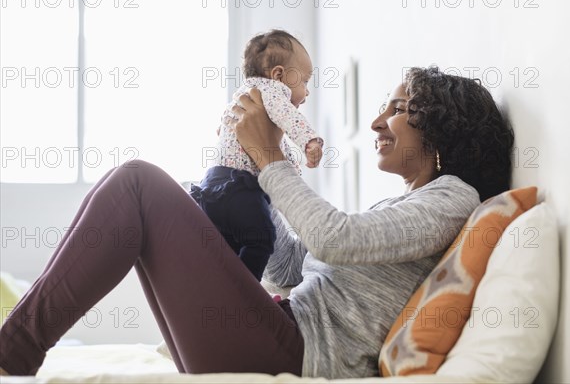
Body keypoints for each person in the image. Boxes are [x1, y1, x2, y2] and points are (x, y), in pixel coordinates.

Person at [0, 66, 514, 378]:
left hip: (292, 349)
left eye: (397, 108)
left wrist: (272, 158)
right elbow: (295, 264)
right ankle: (14, 347)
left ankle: (12, 352)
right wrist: (237, 191)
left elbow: (334, 239)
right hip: (273, 330)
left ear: (441, 127)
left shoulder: (453, 199)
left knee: (137, 183)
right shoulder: (410, 203)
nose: (378, 122)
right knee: (155, 191)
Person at [189, 29, 324, 281]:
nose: (307, 93)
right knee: (262, 239)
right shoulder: (274, 91)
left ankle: (218, 286)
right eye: (305, 82)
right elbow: (290, 118)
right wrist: (309, 141)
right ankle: (244, 294)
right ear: (279, 75)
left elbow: (272, 147)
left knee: (227, 247)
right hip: (240, 188)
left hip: (212, 186)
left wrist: (291, 168)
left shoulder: (243, 96)